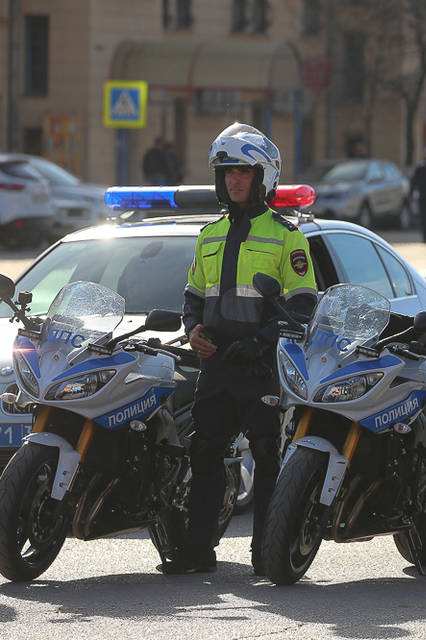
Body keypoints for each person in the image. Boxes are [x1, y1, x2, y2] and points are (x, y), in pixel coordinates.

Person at [162, 123, 318, 574]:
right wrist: (193, 330)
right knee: (205, 454)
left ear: (262, 178)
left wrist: (261, 342)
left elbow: (303, 303)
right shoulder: (209, 235)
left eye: (243, 172)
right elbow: (193, 295)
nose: (233, 180)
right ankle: (197, 553)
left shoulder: (288, 236)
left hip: (261, 367)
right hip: (216, 365)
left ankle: (264, 556)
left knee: (268, 459)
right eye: (227, 172)